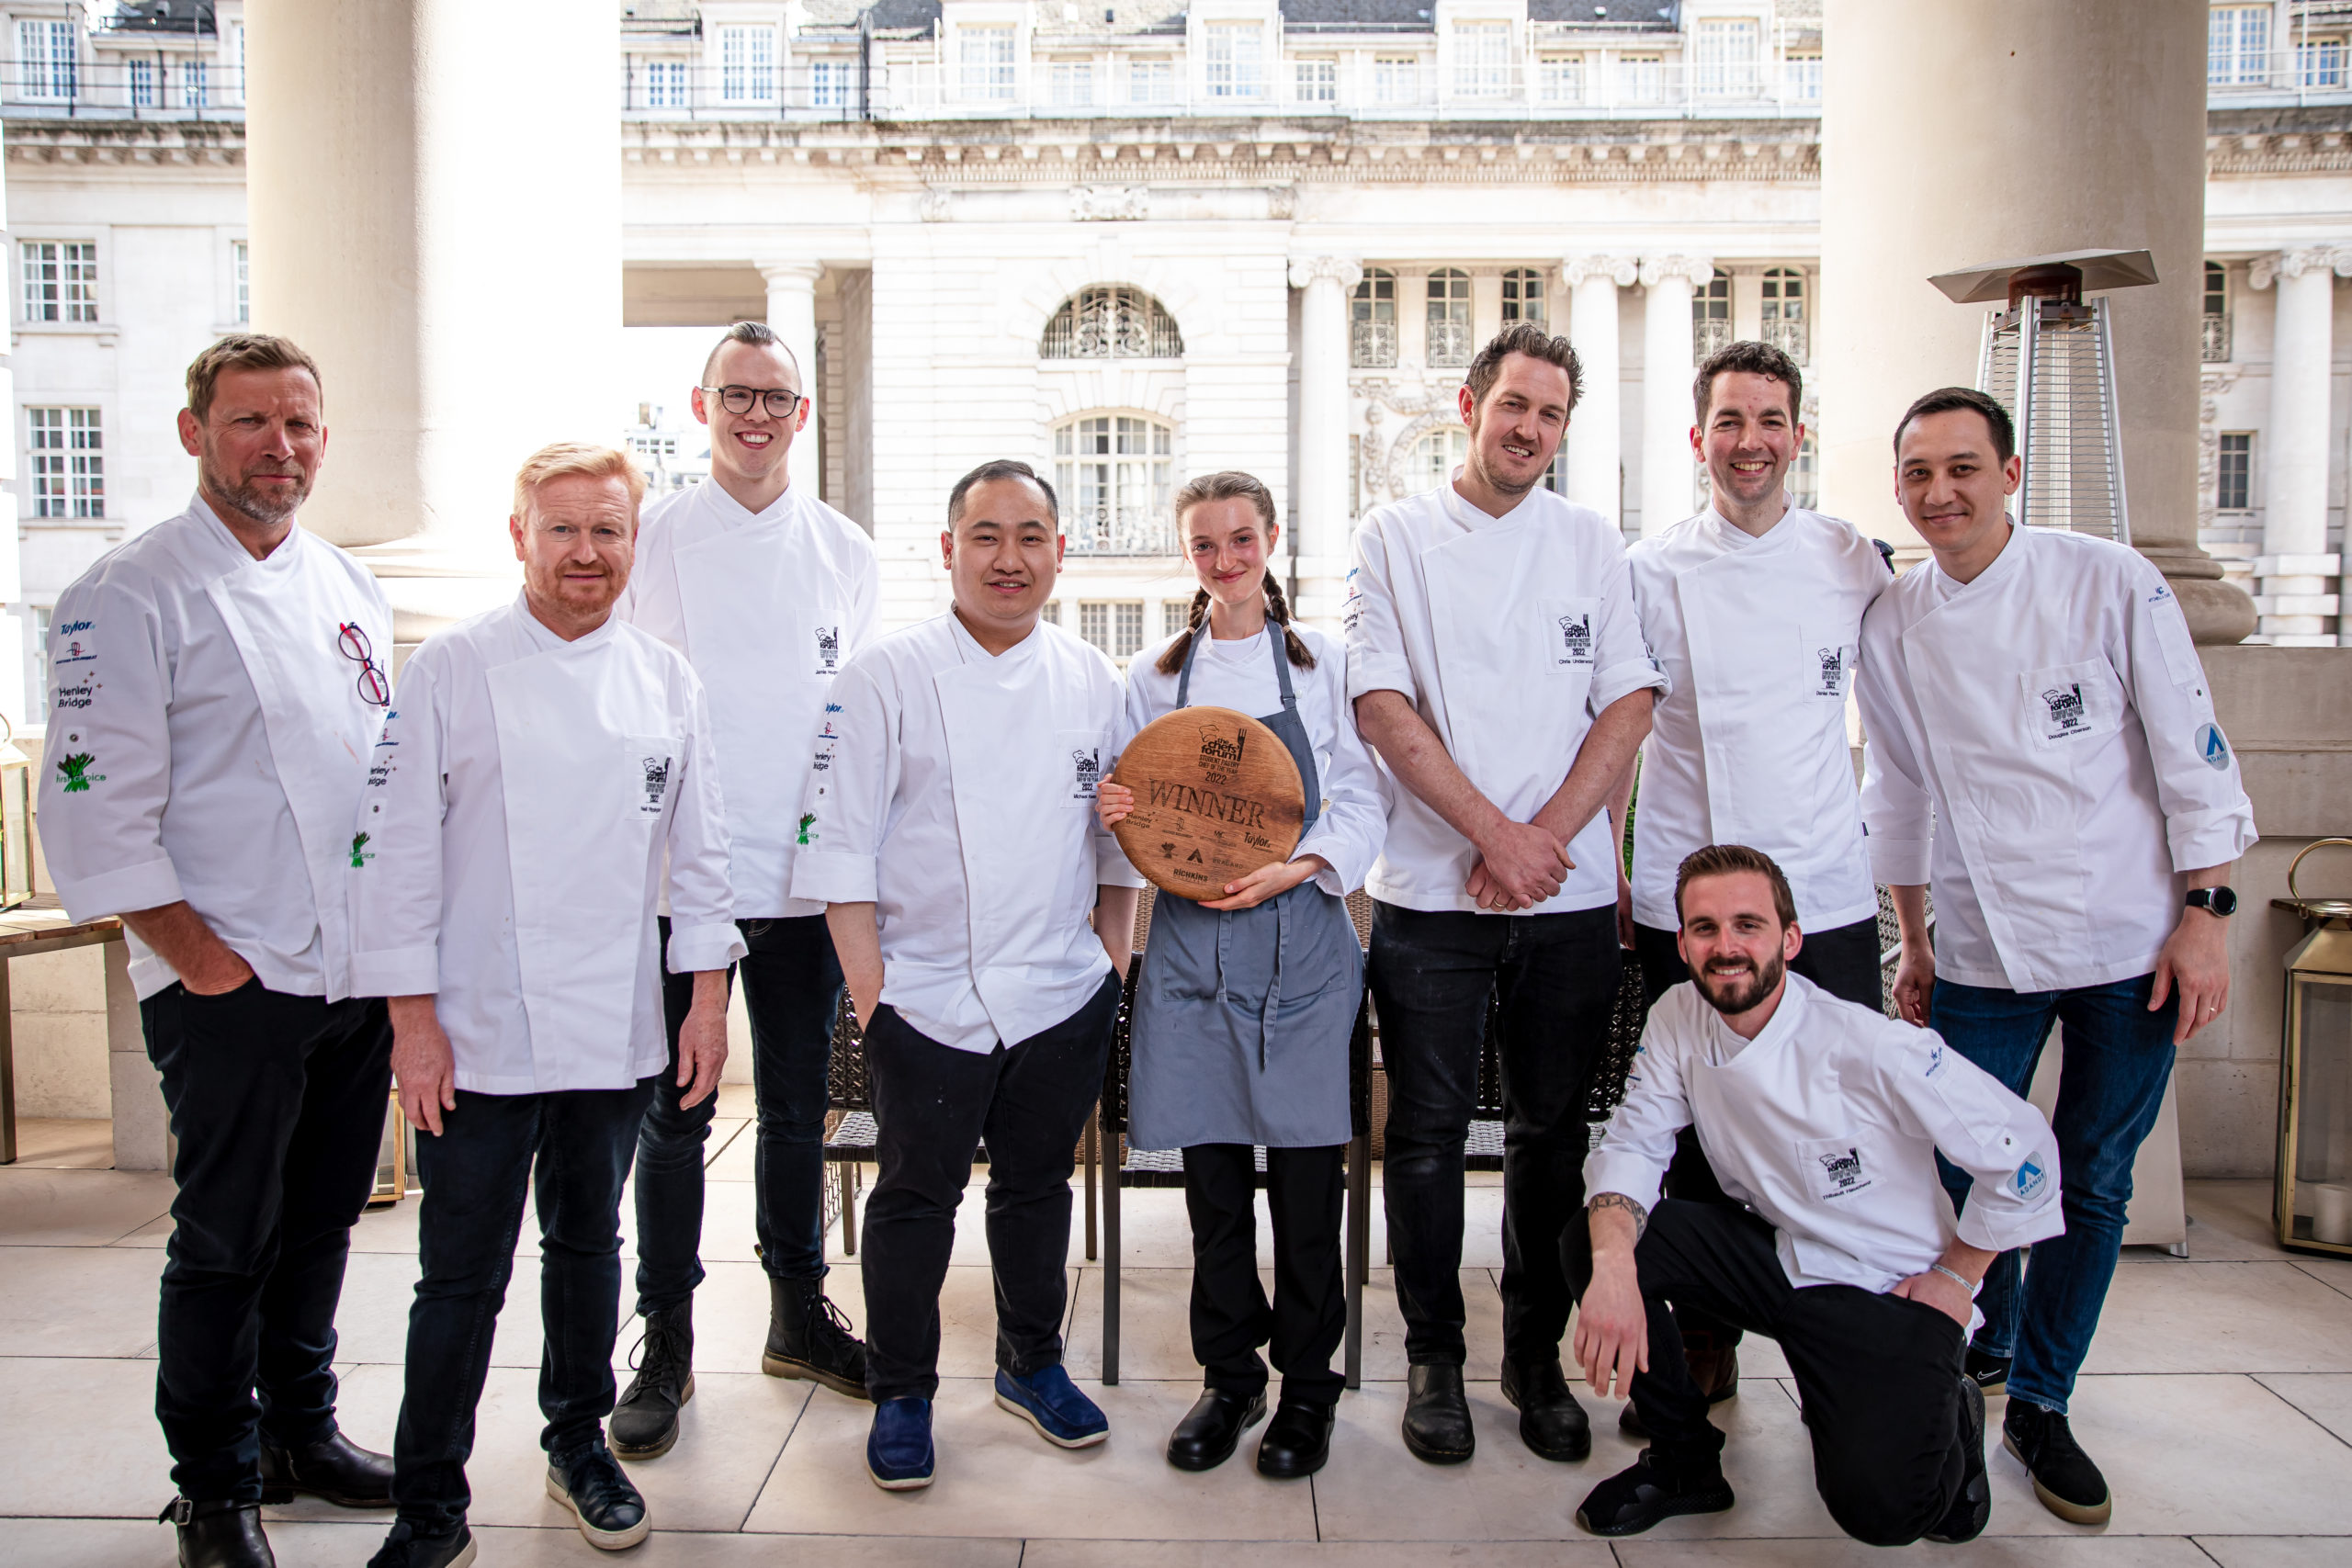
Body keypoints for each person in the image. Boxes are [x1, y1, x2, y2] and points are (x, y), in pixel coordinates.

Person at [1855, 386, 2257, 1527]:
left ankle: (2041, 1400)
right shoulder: (1894, 621)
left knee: (2092, 1178)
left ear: (2010, 474)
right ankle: (1995, 1333)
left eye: (1962, 469)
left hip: (2131, 938)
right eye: (1918, 473)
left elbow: (2190, 753)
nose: (1940, 493)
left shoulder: (2107, 579)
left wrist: (2207, 914)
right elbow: (1899, 792)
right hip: (1981, 943)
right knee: (1961, 1160)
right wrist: (1913, 938)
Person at [349, 445, 743, 1568]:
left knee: (587, 1246)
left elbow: (702, 857)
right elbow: (395, 856)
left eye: (607, 530)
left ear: (633, 543)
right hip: (473, 1032)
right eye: (562, 528)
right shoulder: (453, 667)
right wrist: (411, 1024)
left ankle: (579, 1445)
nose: (585, 551)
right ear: (519, 536)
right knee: (459, 1275)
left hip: (611, 1024)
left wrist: (704, 1003)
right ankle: (431, 1505)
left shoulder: (666, 679)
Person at [38, 333, 396, 1568]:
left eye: (298, 423)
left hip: (345, 974)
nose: (278, 447)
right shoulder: (126, 594)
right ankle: (213, 1484)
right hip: (228, 979)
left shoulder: (348, 584)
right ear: (195, 433)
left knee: (323, 1221)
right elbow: (90, 809)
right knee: (225, 1240)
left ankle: (302, 1432)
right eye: (250, 422)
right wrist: (202, 961)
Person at [1346, 321, 1665, 1466]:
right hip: (1430, 897)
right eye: (1513, 405)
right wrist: (1492, 835)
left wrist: (1542, 843)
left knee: (1550, 1134)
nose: (1529, 428)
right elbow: (1380, 706)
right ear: (1471, 405)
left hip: (1564, 901)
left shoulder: (1590, 540)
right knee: (1425, 1135)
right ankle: (1434, 1356)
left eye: (1551, 414)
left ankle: (1534, 1355)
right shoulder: (1391, 536)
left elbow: (1627, 702)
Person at [794, 459, 1145, 1492]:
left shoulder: (1094, 678)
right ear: (948, 549)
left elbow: (1120, 842)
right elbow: (837, 849)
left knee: (1038, 1189)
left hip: (1060, 991)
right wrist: (876, 1002)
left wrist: (1110, 969)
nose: (1008, 558)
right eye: (985, 536)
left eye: (1030, 537)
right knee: (914, 1199)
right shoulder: (883, 677)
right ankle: (902, 1389)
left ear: (1059, 552)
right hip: (927, 996)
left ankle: (1031, 1364)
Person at [1571, 845, 2064, 1546]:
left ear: (1790, 939)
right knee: (1595, 1240)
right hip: (1782, 1260)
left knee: (1887, 1512)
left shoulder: (1866, 1044)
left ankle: (1950, 1405)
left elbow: (2027, 1152)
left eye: (1748, 924)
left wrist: (1957, 1280)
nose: (1726, 946)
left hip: (1889, 1290)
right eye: (1705, 927)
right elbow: (1632, 1146)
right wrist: (1615, 1268)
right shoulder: (1678, 1016)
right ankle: (1684, 1460)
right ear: (1681, 944)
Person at [1611, 339, 1894, 1424]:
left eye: (1769, 420)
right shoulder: (1650, 569)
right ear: (1699, 439)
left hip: (1822, 887)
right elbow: (1620, 729)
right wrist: (1616, 872)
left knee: (1845, 1118)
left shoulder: (1851, 558)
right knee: (1694, 1122)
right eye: (1729, 421)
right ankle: (1705, 1336)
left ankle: (1853, 1326)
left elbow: (1900, 717)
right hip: (1685, 891)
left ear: (1797, 435)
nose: (1750, 442)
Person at [614, 319, 879, 1456]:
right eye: (737, 394)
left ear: (800, 415)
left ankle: (795, 1316)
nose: (756, 415)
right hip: (679, 880)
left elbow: (852, 722)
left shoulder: (843, 549)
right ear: (702, 405)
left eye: (775, 397)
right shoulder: (653, 539)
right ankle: (665, 1341)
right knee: (675, 1116)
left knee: (793, 1111)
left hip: (800, 879)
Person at [1097, 471, 1387, 1481]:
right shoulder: (1153, 676)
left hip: (1303, 945)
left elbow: (1363, 800)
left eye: (1240, 540)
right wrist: (1118, 811)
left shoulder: (1327, 666)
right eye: (1204, 545)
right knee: (1213, 1190)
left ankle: (1307, 1387)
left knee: (1307, 1191)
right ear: (1187, 556)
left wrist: (1297, 867)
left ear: (1270, 541)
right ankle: (1229, 1378)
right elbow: (1135, 801)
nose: (1224, 560)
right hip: (1188, 952)